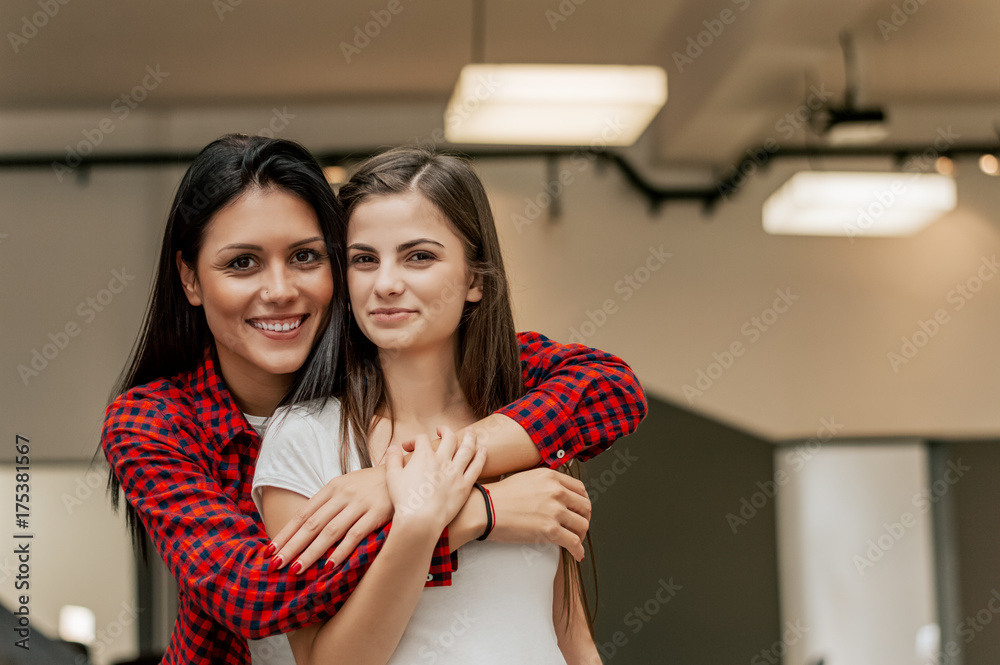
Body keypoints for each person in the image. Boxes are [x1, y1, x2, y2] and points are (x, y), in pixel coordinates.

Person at [101, 134, 647, 665]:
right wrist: (469, 509)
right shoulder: (161, 423)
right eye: (241, 262)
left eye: (306, 256)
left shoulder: (472, 384)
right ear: (191, 279)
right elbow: (257, 592)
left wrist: (401, 477)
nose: (279, 290)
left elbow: (608, 388)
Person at [253, 146, 608, 664]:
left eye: (419, 256)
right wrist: (426, 519)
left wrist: (424, 495)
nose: (386, 284)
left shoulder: (521, 430)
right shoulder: (305, 437)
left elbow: (571, 639)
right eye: (364, 259)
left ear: (475, 281)